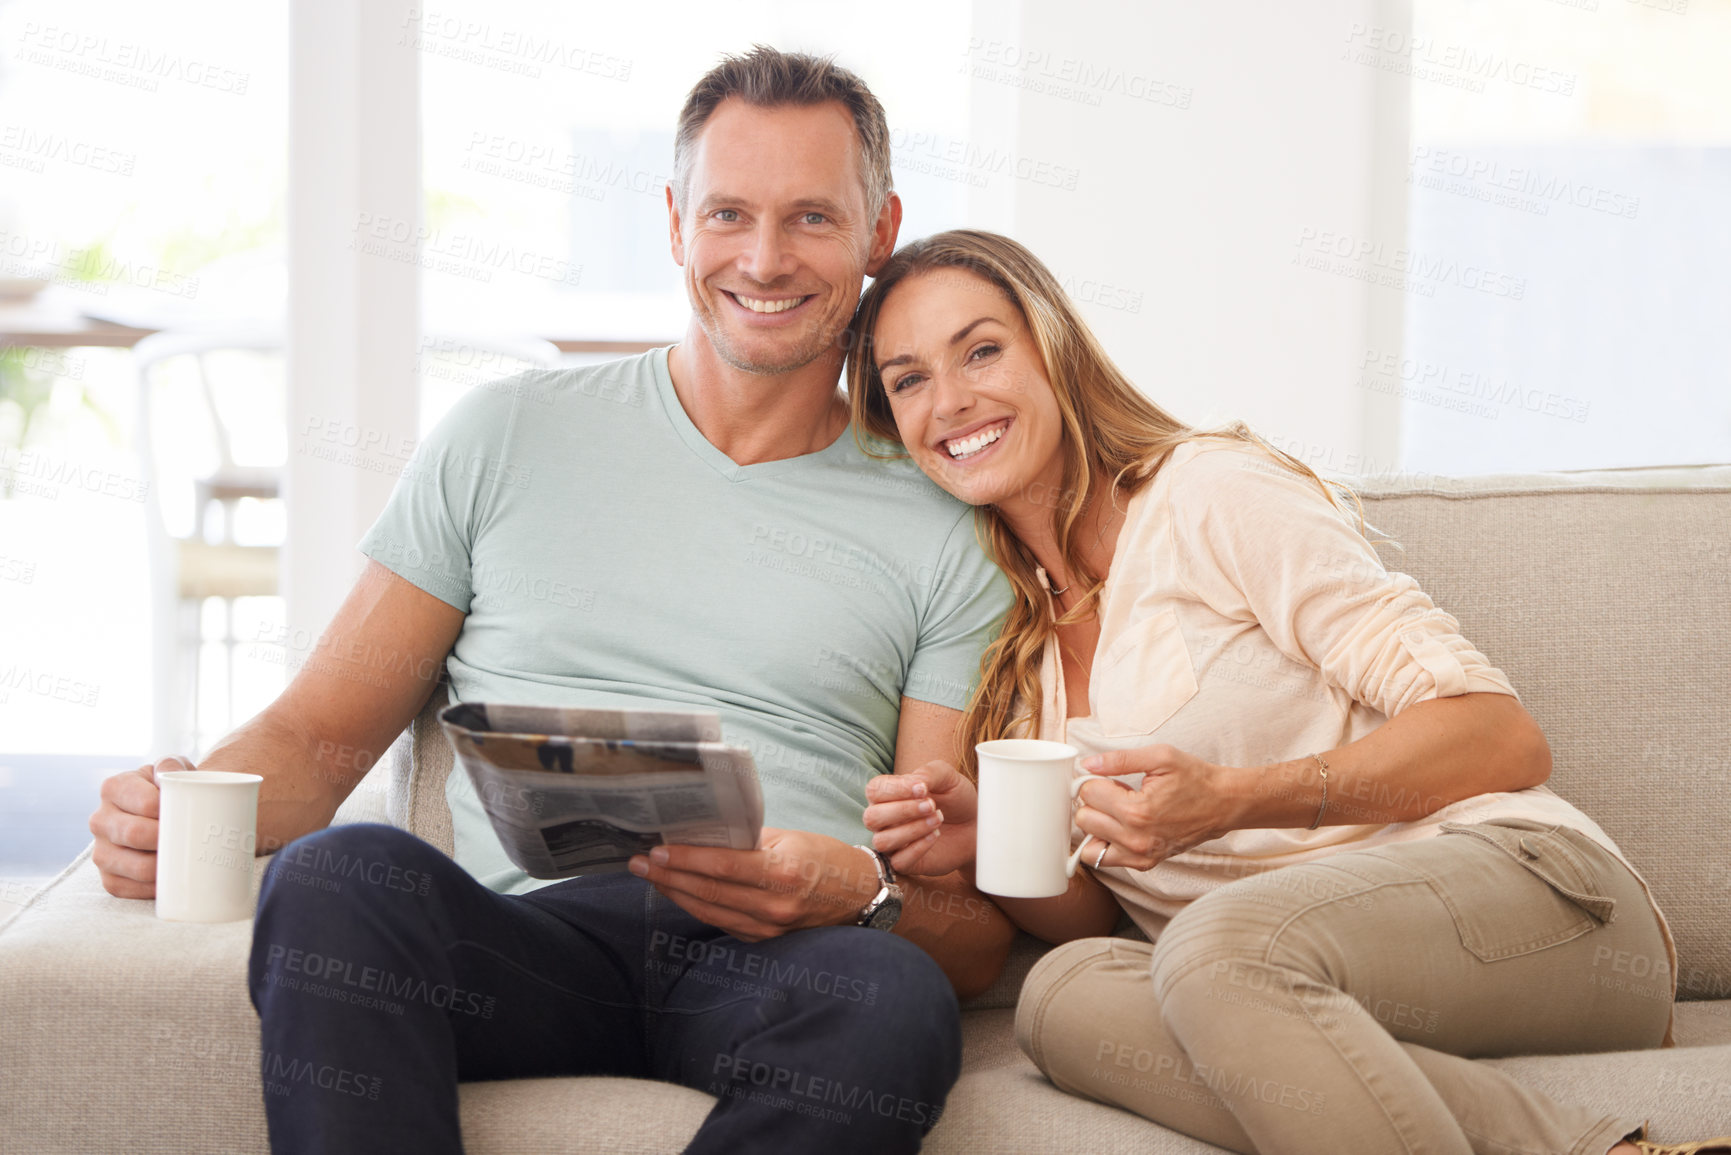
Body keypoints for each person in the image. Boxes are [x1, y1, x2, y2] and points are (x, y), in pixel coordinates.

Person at [86, 51, 1017, 1154]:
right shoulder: (508, 435)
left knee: (893, 1001)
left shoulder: (945, 519)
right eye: (729, 213)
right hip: (526, 940)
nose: (764, 259)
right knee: (338, 875)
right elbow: (321, 736)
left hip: (778, 958)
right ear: (675, 223)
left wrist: (856, 894)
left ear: (879, 230)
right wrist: (182, 808)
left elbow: (963, 928)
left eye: (812, 218)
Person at [851, 229, 1728, 1155]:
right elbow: (1093, 908)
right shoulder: (1011, 650)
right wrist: (995, 837)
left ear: (1052, 347)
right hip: (1274, 977)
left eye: (980, 349)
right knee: (1063, 996)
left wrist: (1236, 800)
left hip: (1538, 904)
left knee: (1217, 951)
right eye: (907, 379)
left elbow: (1500, 736)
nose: (949, 400)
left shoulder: (1206, 492)